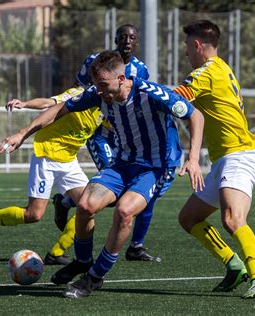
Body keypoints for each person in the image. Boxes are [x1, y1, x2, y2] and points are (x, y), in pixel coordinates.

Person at [0, 50, 205, 299]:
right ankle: (83, 261)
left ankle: (95, 277)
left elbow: (195, 115)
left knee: (125, 211)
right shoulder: (98, 93)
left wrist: (193, 159)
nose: (100, 92)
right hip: (122, 164)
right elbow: (60, 109)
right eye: (97, 85)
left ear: (122, 78)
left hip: (153, 168)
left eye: (104, 85)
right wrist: (22, 133)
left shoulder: (152, 93)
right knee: (84, 205)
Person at [173, 20, 255, 299]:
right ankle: (234, 265)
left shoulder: (206, 71)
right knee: (188, 218)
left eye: (186, 46)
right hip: (225, 158)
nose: (185, 53)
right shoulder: (222, 67)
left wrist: (139, 89)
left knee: (233, 219)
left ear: (197, 45)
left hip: (239, 155)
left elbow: (174, 99)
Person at [52, 24, 163, 262]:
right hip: (101, 133)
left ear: (137, 42)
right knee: (112, 193)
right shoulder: (96, 62)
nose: (127, 41)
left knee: (142, 195)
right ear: (115, 39)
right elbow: (80, 91)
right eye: (123, 36)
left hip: (126, 138)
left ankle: (136, 245)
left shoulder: (141, 70)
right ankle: (66, 204)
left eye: (132, 37)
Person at [0, 87, 99, 267]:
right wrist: (25, 104)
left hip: (69, 161)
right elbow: (48, 103)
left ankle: (56, 254)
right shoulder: (80, 95)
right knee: (33, 214)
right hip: (47, 155)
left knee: (89, 206)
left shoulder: (109, 106)